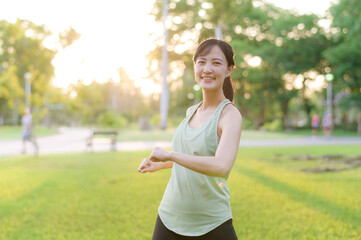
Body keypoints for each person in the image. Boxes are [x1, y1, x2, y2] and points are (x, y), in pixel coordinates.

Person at [138, 38, 242, 240]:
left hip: (211, 221)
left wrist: (170, 155)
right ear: (195, 66)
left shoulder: (230, 116)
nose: (207, 68)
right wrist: (159, 164)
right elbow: (193, 156)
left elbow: (221, 166)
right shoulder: (191, 111)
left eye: (216, 63)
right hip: (169, 215)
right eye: (201, 62)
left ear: (229, 70)